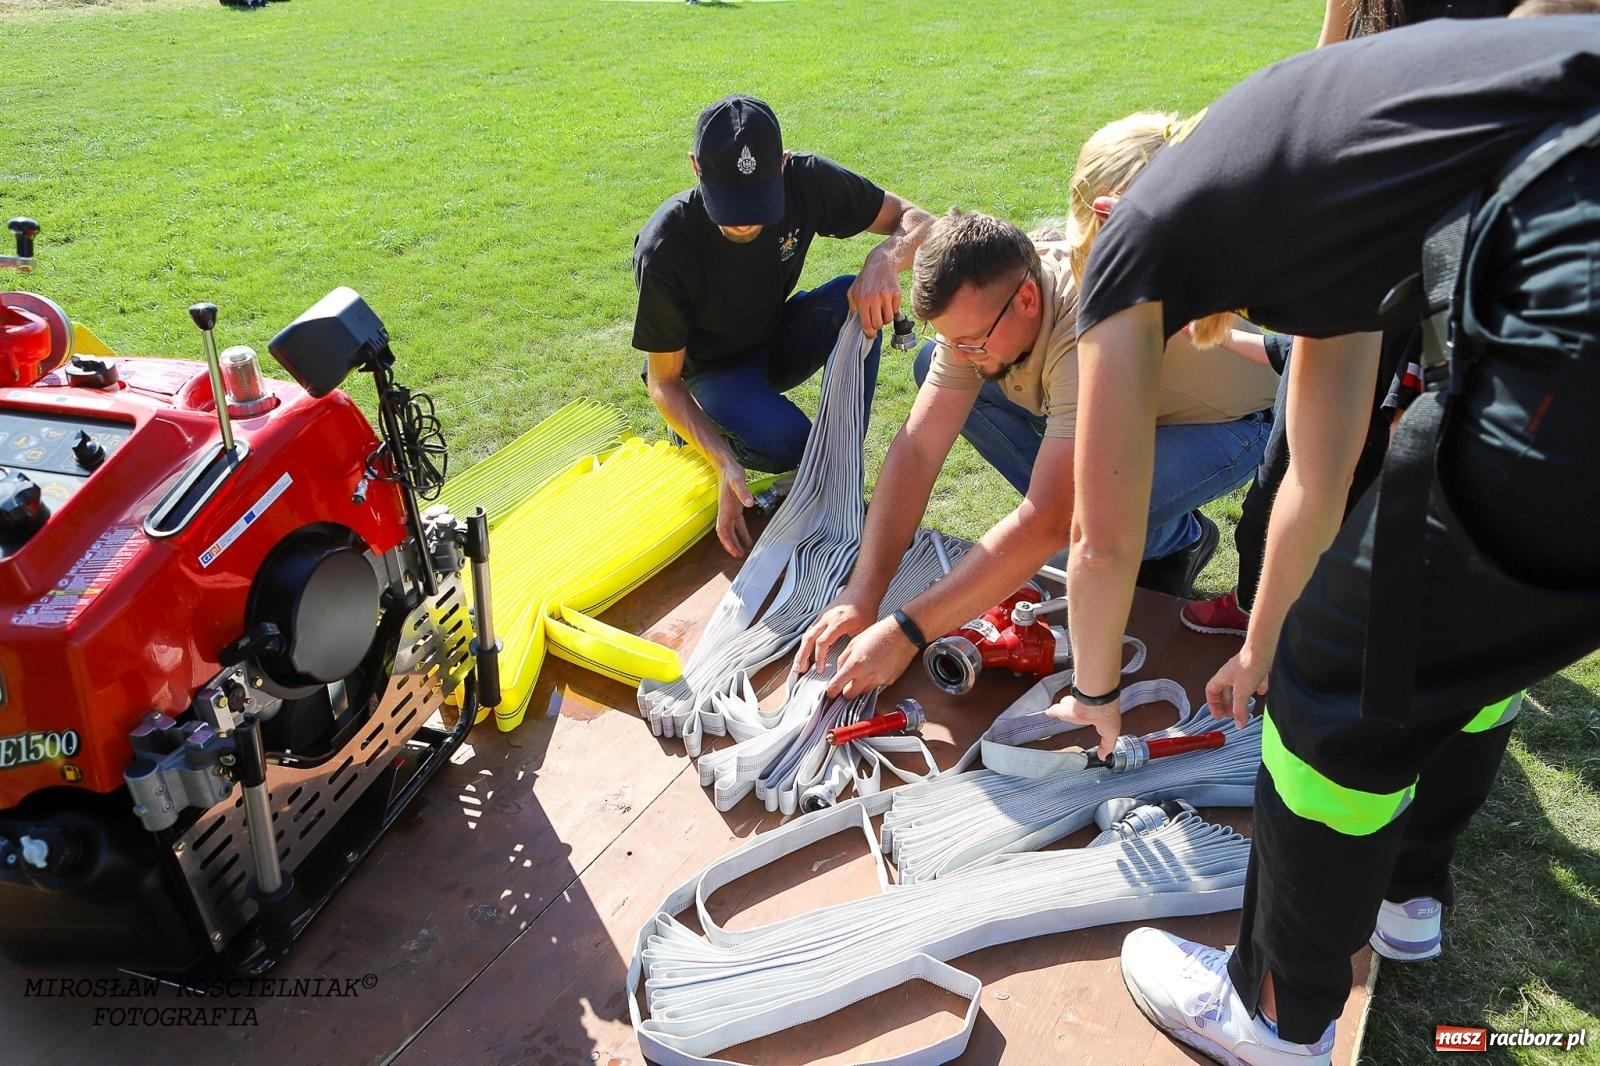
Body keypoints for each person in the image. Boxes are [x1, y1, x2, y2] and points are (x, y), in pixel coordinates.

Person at [1053, 14, 1600, 1065]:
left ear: (1109, 212)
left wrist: (1095, 693)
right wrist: (1253, 646)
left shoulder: (1138, 229)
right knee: (1460, 629)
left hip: (1572, 288)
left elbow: (1103, 538)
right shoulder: (1315, 180)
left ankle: (1272, 1015)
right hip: (1557, 249)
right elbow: (1317, 468)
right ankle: (1409, 891)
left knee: (1331, 687)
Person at [792, 205, 1278, 695]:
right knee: (933, 373)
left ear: (1027, 298)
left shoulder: (1088, 330)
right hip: (1135, 407)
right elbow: (919, 449)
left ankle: (1166, 534)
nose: (960, 356)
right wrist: (863, 592)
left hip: (1229, 423)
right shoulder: (986, 308)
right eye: (952, 341)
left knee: (1077, 528)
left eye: (972, 343)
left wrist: (906, 632)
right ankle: (1172, 535)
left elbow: (1048, 517)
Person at [1181, 0, 1518, 638]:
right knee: (1298, 467)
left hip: (1418, 251)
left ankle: (1297, 623)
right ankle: (1266, 606)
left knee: (1354, 465)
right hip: (1393, 237)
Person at [632, 94, 931, 558]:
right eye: (730, 202)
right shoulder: (665, 244)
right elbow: (663, 381)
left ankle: (840, 474)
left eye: (757, 200)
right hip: (709, 372)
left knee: (856, 298)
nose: (745, 218)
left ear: (783, 164)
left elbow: (919, 222)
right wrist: (722, 463)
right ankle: (711, 430)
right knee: (792, 443)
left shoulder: (807, 180)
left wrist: (884, 259)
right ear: (696, 168)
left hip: (775, 337)